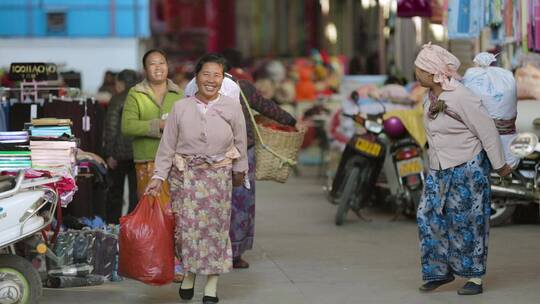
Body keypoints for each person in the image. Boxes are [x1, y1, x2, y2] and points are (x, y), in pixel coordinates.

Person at [145, 53, 248, 304]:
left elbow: (241, 142)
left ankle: (211, 284)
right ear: (196, 77)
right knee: (185, 231)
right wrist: (158, 176)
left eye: (217, 75)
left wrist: (239, 173)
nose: (211, 80)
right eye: (206, 74)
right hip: (185, 177)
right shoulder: (181, 107)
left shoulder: (232, 107)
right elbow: (167, 145)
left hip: (218, 177)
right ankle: (190, 272)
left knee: (214, 231)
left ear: (223, 80)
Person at [414, 43, 513, 296]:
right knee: (427, 215)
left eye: (420, 69)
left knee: (468, 222)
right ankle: (439, 271)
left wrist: (500, 164)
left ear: (433, 73)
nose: (416, 73)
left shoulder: (461, 96)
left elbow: (487, 130)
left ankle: (475, 278)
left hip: (467, 167)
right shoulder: (431, 97)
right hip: (439, 168)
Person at [185, 54, 297, 269]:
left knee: (212, 201)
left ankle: (211, 250)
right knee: (239, 202)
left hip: (216, 154)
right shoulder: (241, 86)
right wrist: (291, 120)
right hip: (236, 152)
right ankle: (234, 252)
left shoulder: (197, 88)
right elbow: (267, 107)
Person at [121, 49, 183, 205]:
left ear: (167, 66)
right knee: (151, 209)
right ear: (144, 70)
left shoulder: (179, 94)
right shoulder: (136, 93)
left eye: (162, 63)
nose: (158, 67)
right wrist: (159, 125)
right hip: (147, 161)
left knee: (175, 209)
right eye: (152, 64)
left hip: (175, 162)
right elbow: (127, 126)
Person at [102, 69, 139, 224]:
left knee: (115, 192)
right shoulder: (141, 98)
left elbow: (111, 127)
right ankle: (133, 223)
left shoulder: (117, 99)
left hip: (119, 153)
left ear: (121, 83)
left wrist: (109, 153)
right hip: (138, 152)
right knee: (135, 192)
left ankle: (113, 225)